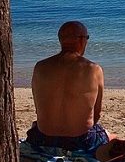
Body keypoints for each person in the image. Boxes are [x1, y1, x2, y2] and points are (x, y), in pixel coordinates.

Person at [25, 21, 110, 152]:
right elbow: (97, 113)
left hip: (43, 139)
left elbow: (38, 107)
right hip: (80, 140)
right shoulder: (93, 69)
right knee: (110, 136)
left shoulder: (40, 67)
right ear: (82, 40)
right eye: (87, 38)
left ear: (60, 40)